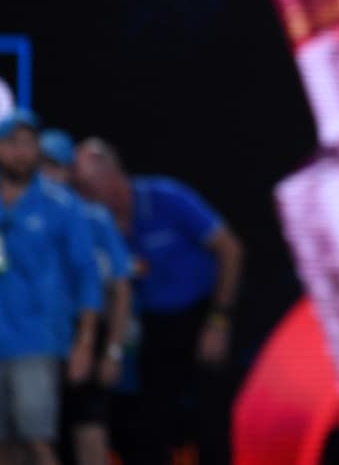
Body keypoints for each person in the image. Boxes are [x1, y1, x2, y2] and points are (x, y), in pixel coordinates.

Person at [0, 109, 101, 465]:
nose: (20, 151)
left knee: (38, 441)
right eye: (11, 142)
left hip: (37, 340)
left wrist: (84, 342)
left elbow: (87, 275)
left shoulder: (61, 204)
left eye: (28, 142)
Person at [72, 138, 243, 465]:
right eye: (79, 186)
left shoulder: (166, 197)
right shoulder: (95, 223)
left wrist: (219, 320)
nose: (82, 193)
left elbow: (230, 250)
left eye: (86, 185)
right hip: (150, 328)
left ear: (110, 175)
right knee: (148, 423)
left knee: (211, 419)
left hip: (200, 315)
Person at [39, 129, 133, 465]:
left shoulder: (94, 217)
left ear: (69, 172)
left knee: (89, 435)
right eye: (41, 166)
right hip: (32, 339)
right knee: (31, 438)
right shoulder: (16, 215)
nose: (47, 175)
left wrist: (112, 350)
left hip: (86, 339)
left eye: (54, 166)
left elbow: (120, 287)